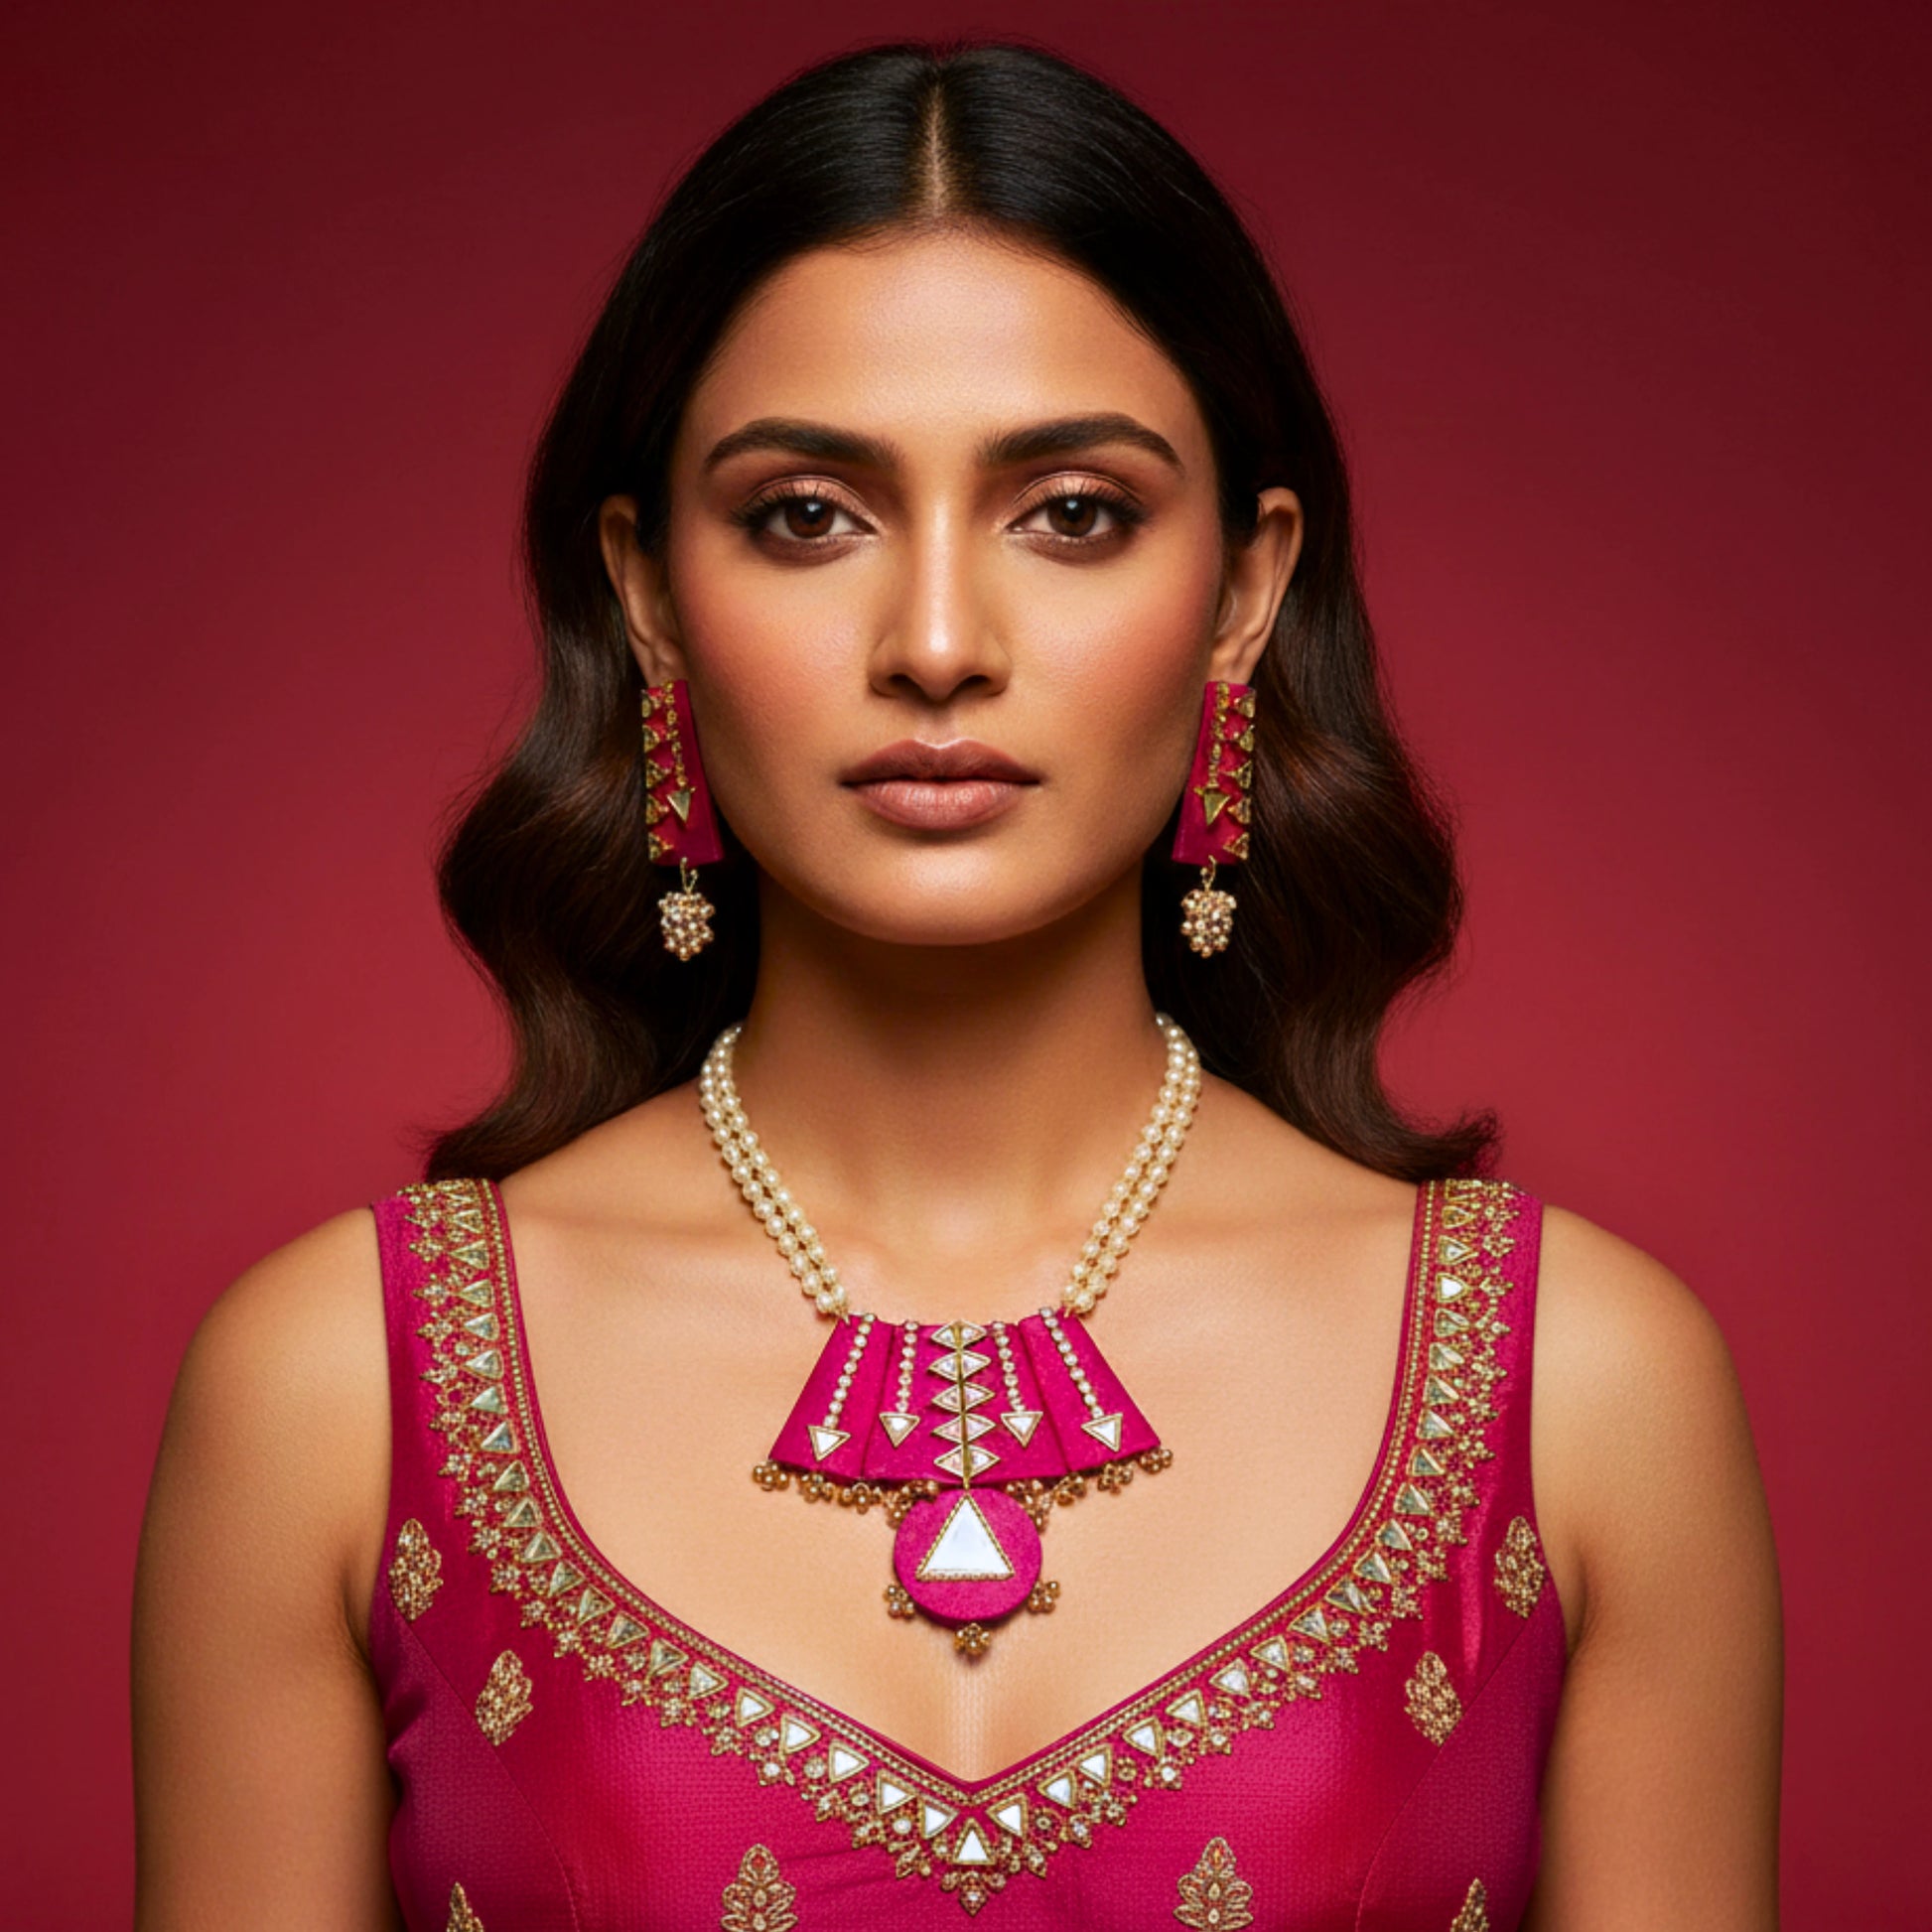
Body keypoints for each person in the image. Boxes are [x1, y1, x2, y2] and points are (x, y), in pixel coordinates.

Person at [131, 38, 1782, 1932]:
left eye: (1070, 510)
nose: (934, 643)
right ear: (648, 592)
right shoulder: (338, 1386)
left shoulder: (1581, 1385)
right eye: (805, 516)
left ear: (1244, 590)